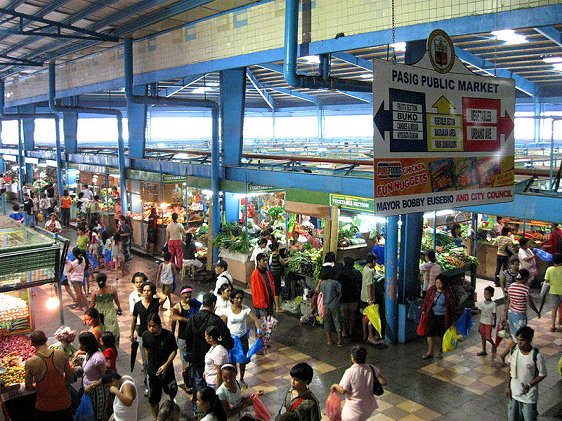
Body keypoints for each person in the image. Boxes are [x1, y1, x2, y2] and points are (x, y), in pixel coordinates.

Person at [185, 293, 232, 410]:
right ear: (213, 304)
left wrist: (190, 352)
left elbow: (187, 338)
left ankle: (197, 408)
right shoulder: (216, 321)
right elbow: (228, 339)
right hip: (213, 360)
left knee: (198, 382)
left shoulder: (193, 318)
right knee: (212, 384)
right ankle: (211, 407)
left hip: (196, 357)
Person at [24, 330, 73, 421]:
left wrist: (40, 385)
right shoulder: (61, 354)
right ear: (46, 340)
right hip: (63, 403)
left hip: (44, 407)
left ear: (32, 344)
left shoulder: (30, 363)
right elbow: (70, 378)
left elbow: (29, 387)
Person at [330, 345, 387, 421]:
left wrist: (335, 385)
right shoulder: (371, 368)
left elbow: (343, 390)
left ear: (352, 357)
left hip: (353, 412)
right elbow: (384, 381)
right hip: (367, 409)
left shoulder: (350, 372)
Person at [221, 289, 261, 388]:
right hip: (231, 339)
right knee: (232, 361)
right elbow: (223, 325)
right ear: (232, 299)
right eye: (237, 298)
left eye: (241, 298)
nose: (239, 300)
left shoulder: (245, 309)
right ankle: (233, 379)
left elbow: (256, 320)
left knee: (243, 360)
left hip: (242, 339)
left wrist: (259, 331)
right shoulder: (227, 311)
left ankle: (242, 379)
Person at [505, 326, 547, 421]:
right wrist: (508, 386)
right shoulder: (514, 351)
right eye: (518, 339)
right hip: (514, 394)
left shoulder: (536, 356)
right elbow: (509, 369)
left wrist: (529, 384)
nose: (519, 343)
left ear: (530, 340)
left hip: (528, 397)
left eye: (522, 340)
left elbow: (543, 374)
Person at [500, 269, 541, 364]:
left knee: (515, 336)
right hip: (519, 316)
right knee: (519, 338)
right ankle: (505, 355)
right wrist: (537, 311)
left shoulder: (511, 286)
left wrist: (505, 315)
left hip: (511, 314)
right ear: (525, 278)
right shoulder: (525, 288)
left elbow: (508, 302)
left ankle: (512, 356)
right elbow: (530, 303)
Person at [142, 313, 178, 420]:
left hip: (167, 371)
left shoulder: (168, 336)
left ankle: (172, 413)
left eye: (153, 326)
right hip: (152, 372)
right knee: (153, 398)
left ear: (159, 325)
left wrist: (166, 365)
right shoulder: (146, 335)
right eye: (149, 326)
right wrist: (149, 365)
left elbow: (174, 351)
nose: (151, 328)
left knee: (171, 392)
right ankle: (155, 418)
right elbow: (146, 349)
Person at [171, 286, 201, 389]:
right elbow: (174, 318)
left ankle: (194, 380)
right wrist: (185, 320)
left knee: (194, 359)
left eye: (189, 297)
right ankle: (187, 382)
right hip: (183, 337)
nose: (188, 299)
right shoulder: (178, 306)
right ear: (181, 295)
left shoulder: (195, 304)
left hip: (194, 337)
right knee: (185, 361)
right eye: (186, 297)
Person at [420, 274, 456, 359]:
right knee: (429, 334)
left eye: (440, 283)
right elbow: (426, 301)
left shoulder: (448, 293)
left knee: (441, 335)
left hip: (443, 317)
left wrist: (453, 320)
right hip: (432, 315)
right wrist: (424, 310)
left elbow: (451, 307)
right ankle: (429, 352)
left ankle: (440, 351)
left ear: (444, 284)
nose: (438, 285)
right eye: (437, 283)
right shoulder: (432, 290)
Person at [76, 331, 111, 421]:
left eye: (81, 344)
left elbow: (106, 377)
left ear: (86, 345)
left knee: (98, 416)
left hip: (97, 391)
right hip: (89, 390)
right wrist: (80, 364)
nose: (79, 346)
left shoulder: (97, 358)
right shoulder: (89, 353)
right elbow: (89, 369)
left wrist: (92, 386)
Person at [91, 272, 122, 345]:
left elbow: (92, 304)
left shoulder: (95, 292)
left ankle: (103, 346)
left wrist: (88, 313)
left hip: (100, 313)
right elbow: (116, 300)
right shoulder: (112, 289)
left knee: (102, 329)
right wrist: (119, 308)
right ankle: (113, 344)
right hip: (111, 311)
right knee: (113, 328)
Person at [316, 266, 343, 347]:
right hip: (335, 304)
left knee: (327, 322)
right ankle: (340, 340)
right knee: (337, 321)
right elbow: (340, 293)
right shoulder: (335, 283)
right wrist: (337, 300)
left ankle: (329, 340)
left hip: (325, 305)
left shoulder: (322, 283)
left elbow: (320, 293)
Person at [337, 257, 362, 339]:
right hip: (354, 298)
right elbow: (360, 284)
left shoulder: (340, 273)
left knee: (344, 316)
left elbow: (338, 285)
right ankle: (352, 330)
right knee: (352, 315)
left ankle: (344, 331)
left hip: (343, 298)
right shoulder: (357, 273)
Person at [361, 254, 380, 345]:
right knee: (371, 318)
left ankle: (365, 334)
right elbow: (369, 286)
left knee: (365, 317)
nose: (375, 263)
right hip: (368, 298)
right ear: (373, 261)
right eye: (375, 261)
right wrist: (370, 300)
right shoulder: (369, 272)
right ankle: (370, 337)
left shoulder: (365, 269)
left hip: (363, 297)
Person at [250, 253, 276, 320]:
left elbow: (271, 285)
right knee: (262, 324)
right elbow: (258, 292)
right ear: (258, 261)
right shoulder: (255, 274)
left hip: (269, 302)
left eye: (266, 260)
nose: (265, 262)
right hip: (261, 305)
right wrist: (262, 304)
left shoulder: (267, 272)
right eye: (263, 261)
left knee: (268, 323)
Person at [544, 252, 562, 333]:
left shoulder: (549, 269)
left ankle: (553, 326)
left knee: (554, 308)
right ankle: (560, 321)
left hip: (553, 291)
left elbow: (546, 281)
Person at [476, 286, 497, 356]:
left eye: (488, 294)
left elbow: (494, 314)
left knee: (488, 337)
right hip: (482, 322)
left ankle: (493, 344)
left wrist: (494, 323)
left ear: (492, 295)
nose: (486, 296)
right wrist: (471, 311)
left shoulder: (493, 304)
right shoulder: (482, 302)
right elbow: (479, 311)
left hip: (488, 323)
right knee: (482, 336)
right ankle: (484, 350)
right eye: (485, 294)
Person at [269, 242, 286, 313]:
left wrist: (285, 259)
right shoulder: (277, 255)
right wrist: (288, 260)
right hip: (276, 275)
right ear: (276, 248)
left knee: (274, 289)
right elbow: (283, 263)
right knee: (277, 290)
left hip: (272, 274)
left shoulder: (271, 255)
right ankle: (277, 308)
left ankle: (275, 306)